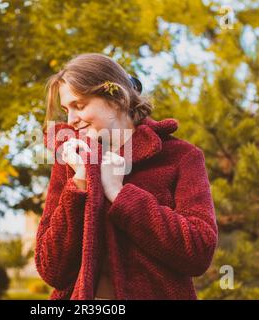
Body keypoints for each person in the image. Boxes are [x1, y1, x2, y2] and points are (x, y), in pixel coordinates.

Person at [35, 53, 218, 300]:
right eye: (67, 109)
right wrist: (78, 184)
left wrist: (119, 194)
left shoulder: (181, 157)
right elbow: (51, 270)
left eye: (80, 105)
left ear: (117, 98)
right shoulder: (70, 161)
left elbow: (199, 251)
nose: (71, 120)